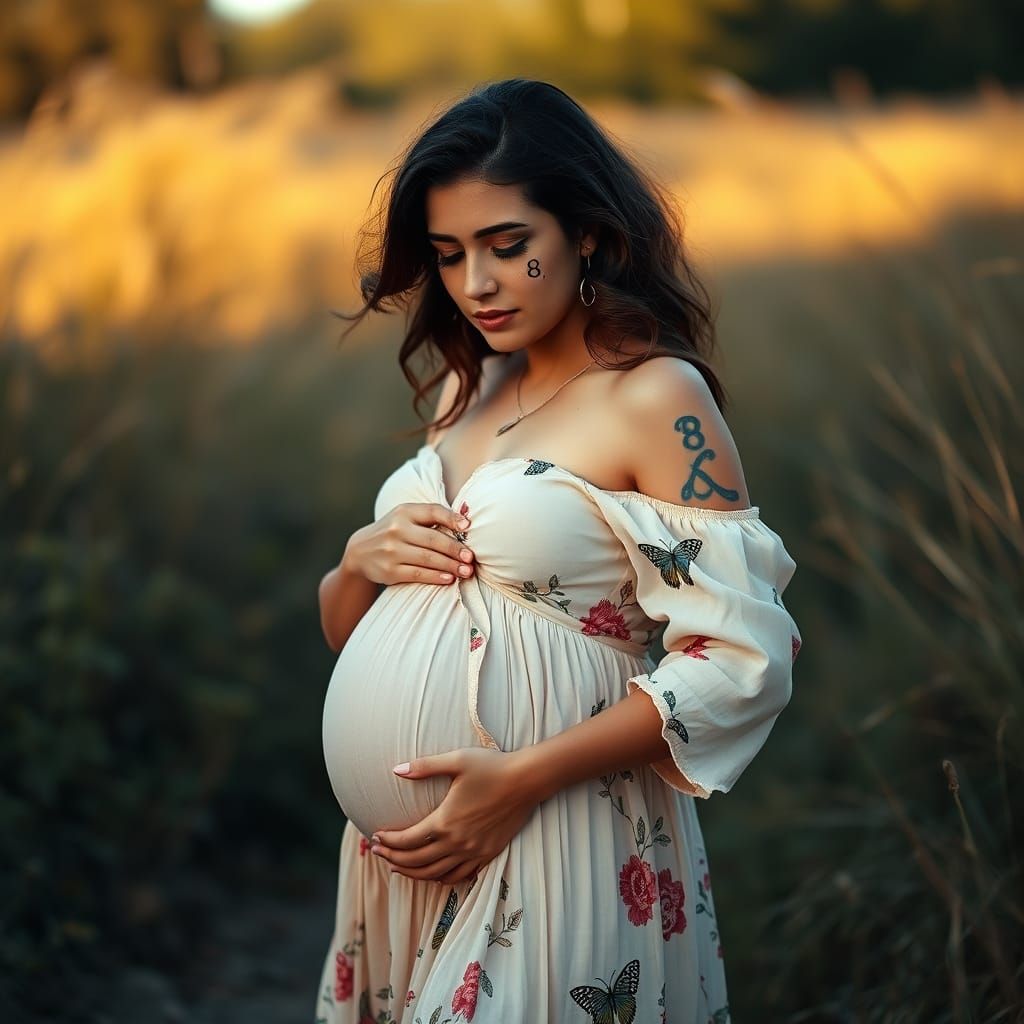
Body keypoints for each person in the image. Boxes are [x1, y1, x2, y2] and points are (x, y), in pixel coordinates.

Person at [315, 78, 801, 1024]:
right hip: (396, 866)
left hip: (557, 829)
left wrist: (522, 780)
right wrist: (359, 561)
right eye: (449, 255)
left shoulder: (655, 396)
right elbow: (348, 633)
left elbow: (744, 657)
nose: (476, 284)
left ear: (586, 233)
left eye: (508, 246)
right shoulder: (468, 389)